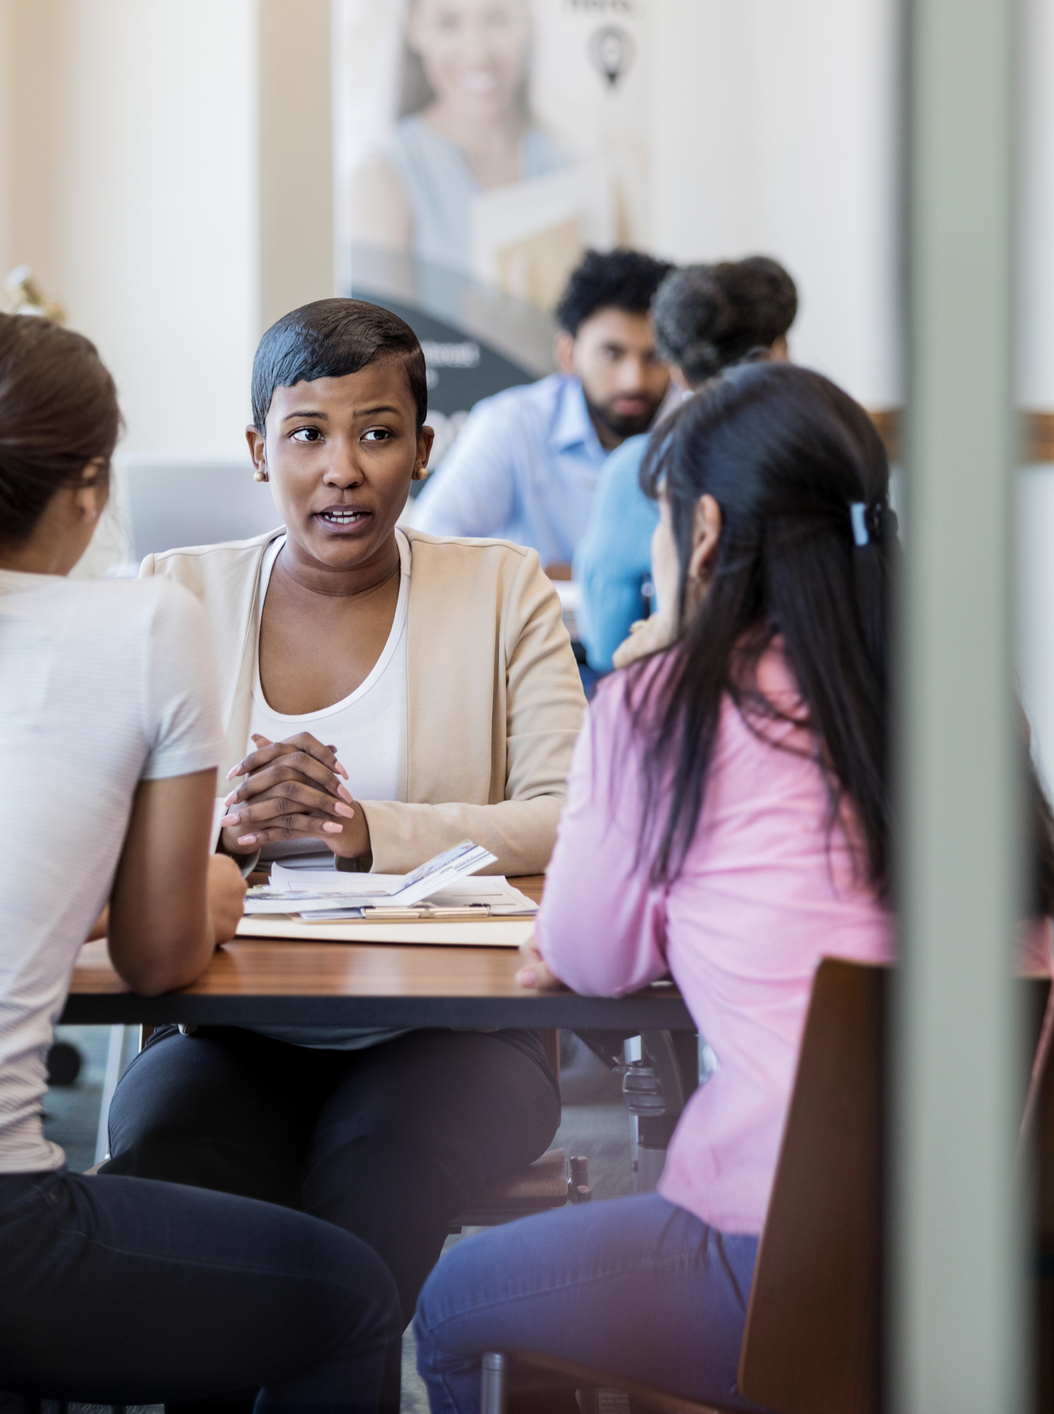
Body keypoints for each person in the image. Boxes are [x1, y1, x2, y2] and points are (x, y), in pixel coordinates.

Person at [0, 310, 400, 1408]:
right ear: (90, 489)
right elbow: (156, 954)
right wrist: (220, 882)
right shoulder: (146, 627)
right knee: (356, 1296)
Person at [100, 298, 583, 1403]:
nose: (342, 470)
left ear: (426, 445)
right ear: (259, 451)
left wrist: (368, 833)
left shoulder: (503, 587)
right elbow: (98, 822)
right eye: (308, 434)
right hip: (233, 1028)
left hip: (460, 1031)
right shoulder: (173, 594)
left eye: (377, 432)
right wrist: (220, 830)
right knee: (173, 1177)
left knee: (366, 1184)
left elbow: (572, 814)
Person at [410, 363, 897, 1411]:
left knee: (451, 1304)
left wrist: (642, 685)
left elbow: (587, 957)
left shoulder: (666, 706)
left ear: (706, 532)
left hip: (792, 1268)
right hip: (1017, 1257)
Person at [575, 256, 799, 669]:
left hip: (695, 699)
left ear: (676, 368)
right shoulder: (836, 441)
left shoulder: (642, 467)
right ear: (779, 350)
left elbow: (607, 644)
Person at [411, 248, 674, 564]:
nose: (634, 380)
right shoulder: (513, 424)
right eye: (612, 354)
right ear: (568, 354)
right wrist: (547, 580)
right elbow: (428, 542)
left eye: (654, 356)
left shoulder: (699, 428)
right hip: (537, 613)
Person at [350, 0, 571, 278]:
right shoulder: (383, 179)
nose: (478, 52)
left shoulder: (574, 164)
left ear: (527, 20)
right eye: (448, 22)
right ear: (414, 27)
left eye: (497, 18)